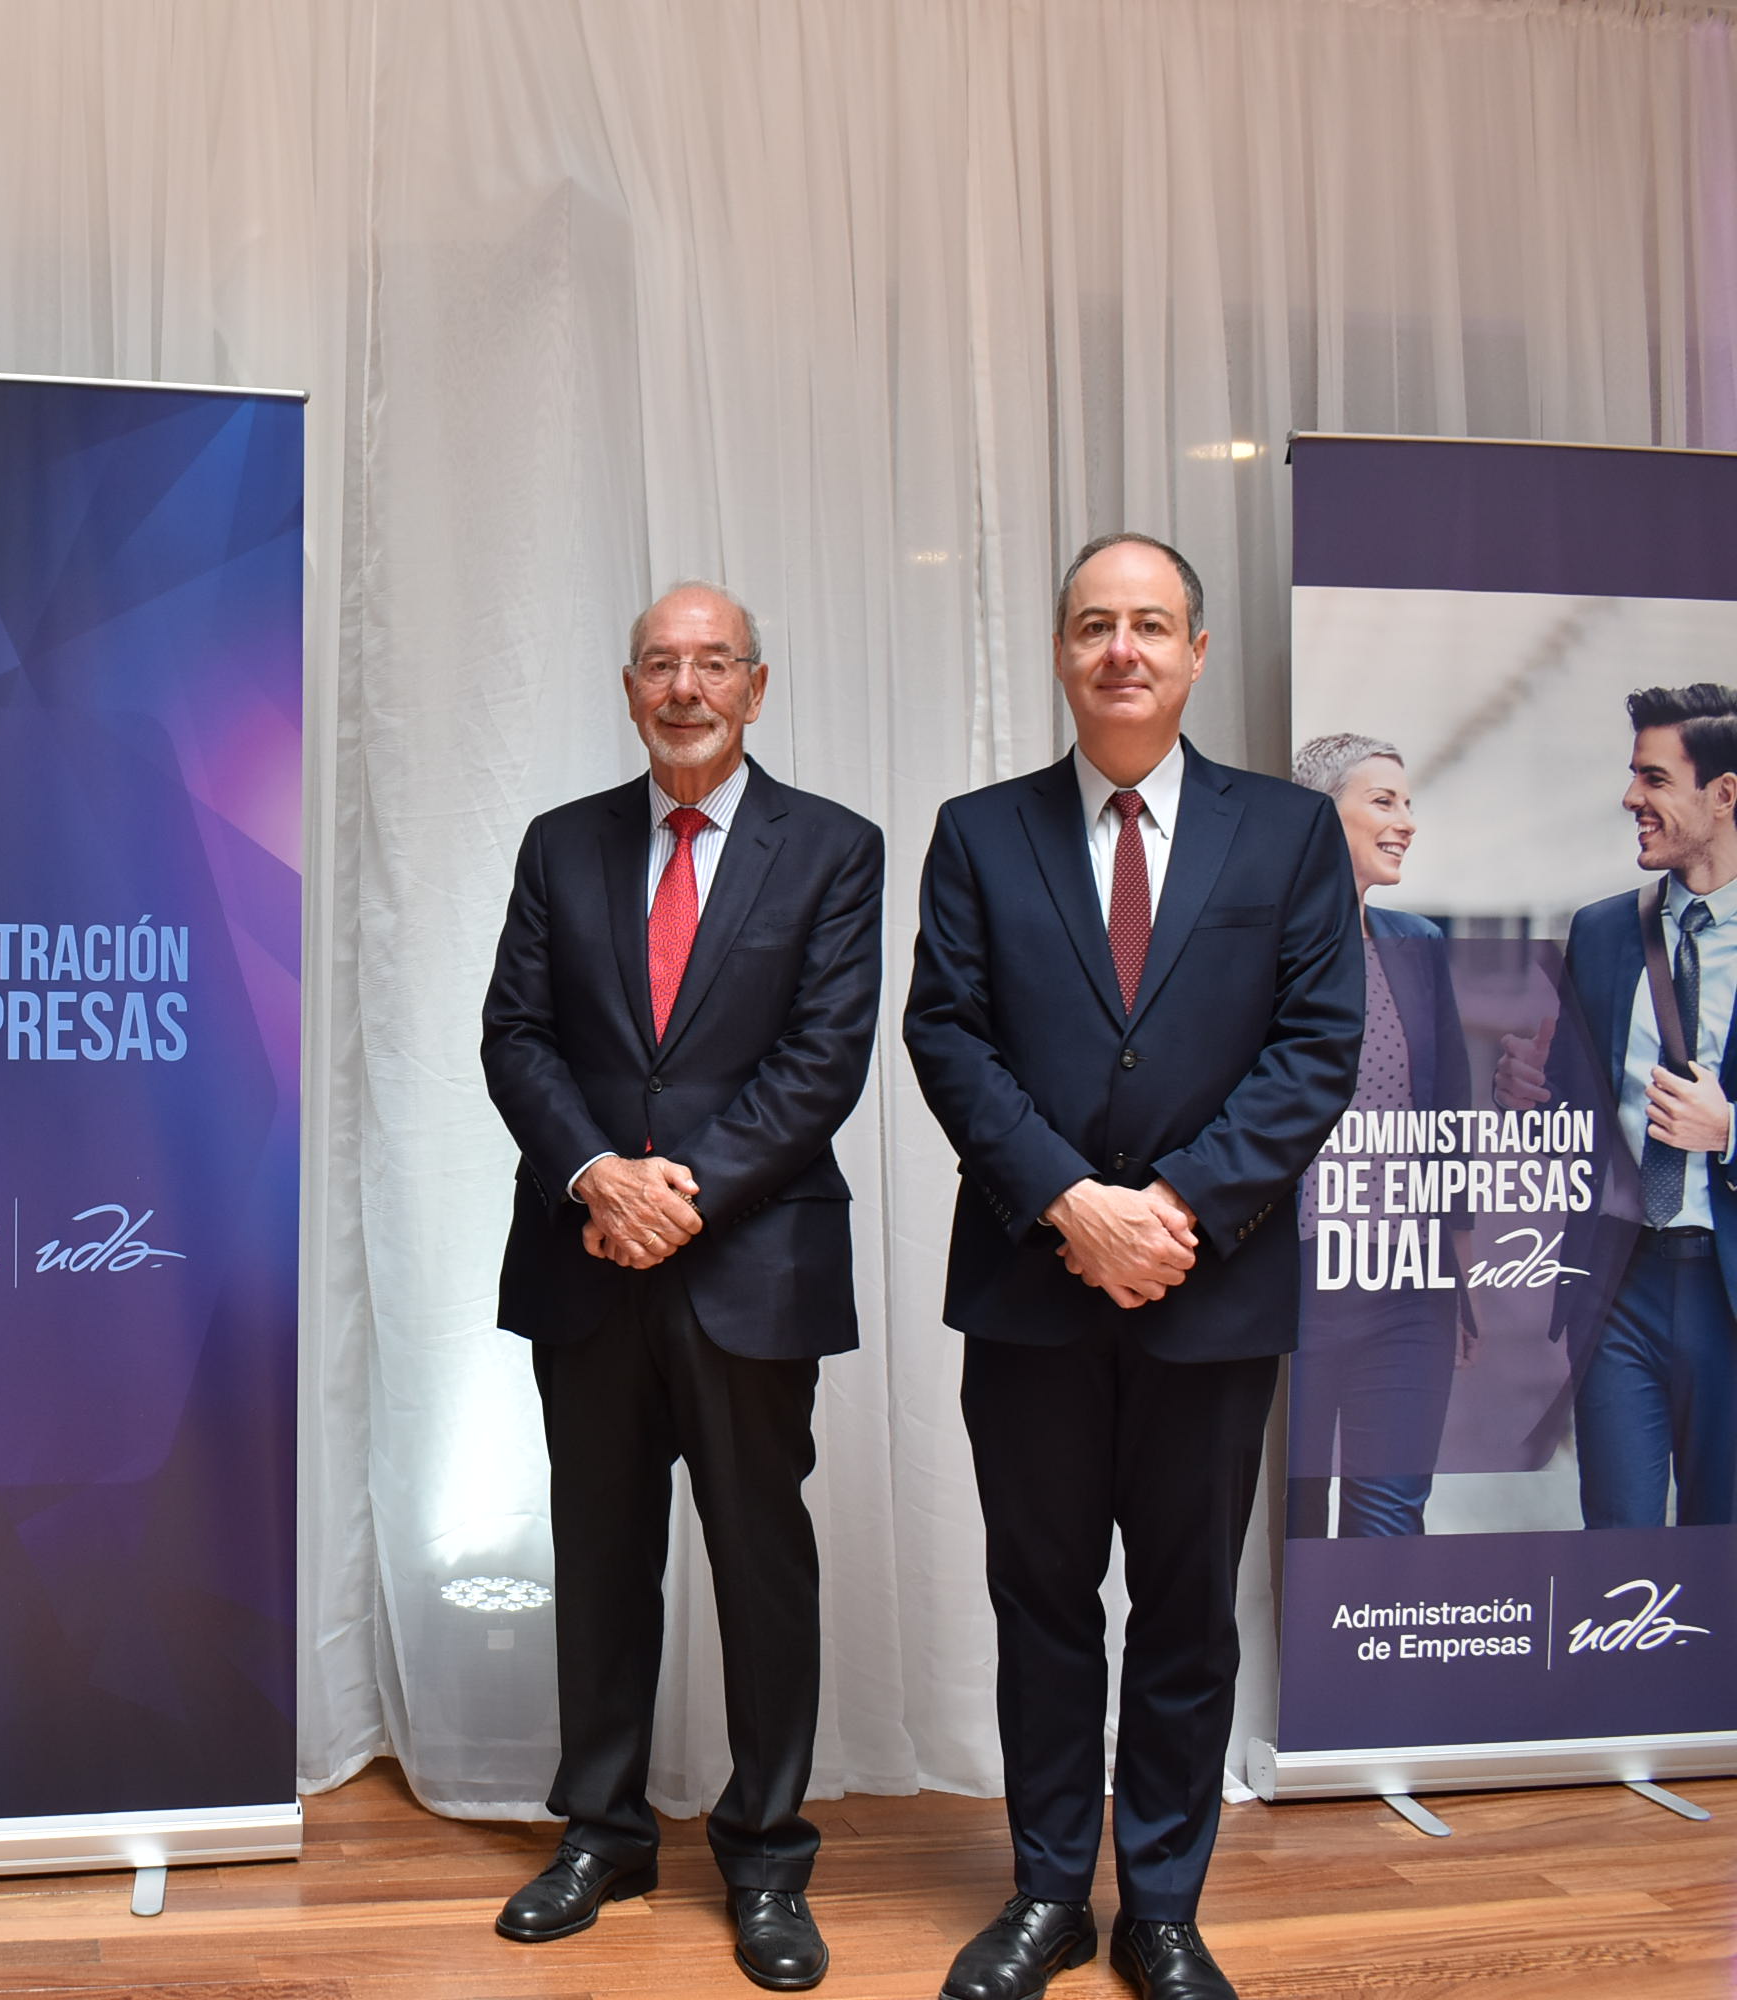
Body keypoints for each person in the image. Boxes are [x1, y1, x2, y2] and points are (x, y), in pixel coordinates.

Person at [903, 534, 1361, 2000]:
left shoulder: (1288, 833)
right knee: (1041, 1604)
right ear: (1060, 651)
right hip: (1030, 1292)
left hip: (1210, 1291)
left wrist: (1173, 1207)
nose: (1122, 649)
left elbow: (1317, 1045)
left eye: (1151, 625)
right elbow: (946, 1034)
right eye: (1095, 624)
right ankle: (1048, 1895)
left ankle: (1162, 1906)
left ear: (1195, 653)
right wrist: (1069, 1205)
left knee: (1183, 1608)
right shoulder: (979, 832)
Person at [480, 581, 882, 1991]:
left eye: (714, 664)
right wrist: (599, 1176)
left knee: (760, 1561)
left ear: (756, 688)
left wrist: (678, 1196)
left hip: (751, 1266)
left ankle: (766, 1856)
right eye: (660, 663)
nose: (685, 688)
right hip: (585, 1258)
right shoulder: (560, 843)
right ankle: (603, 1832)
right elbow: (515, 1036)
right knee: (598, 1554)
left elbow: (824, 1059)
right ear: (630, 688)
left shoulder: (832, 848)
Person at [1511, 686, 1737, 1529]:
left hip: (1727, 1291)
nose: (1630, 797)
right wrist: (1525, 1095)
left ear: (1725, 793)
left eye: (1654, 778)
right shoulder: (1603, 932)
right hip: (1618, 1286)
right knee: (1617, 1542)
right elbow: (1571, 1118)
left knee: (1723, 1549)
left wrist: (1729, 1130)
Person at [1283, 735, 1468, 1538]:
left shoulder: (1417, 944)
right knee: (1293, 1519)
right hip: (1294, 1282)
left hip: (1407, 1282)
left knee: (1390, 1520)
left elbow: (1447, 1109)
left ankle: (1378, 1637)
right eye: (1384, 801)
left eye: (1408, 803)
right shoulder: (1260, 947)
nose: (1407, 822)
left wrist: (1457, 1272)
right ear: (1321, 816)